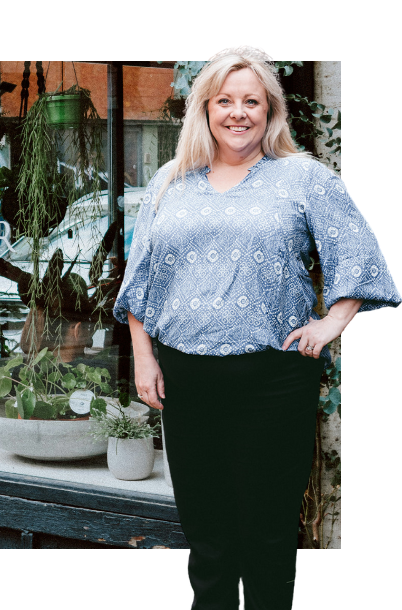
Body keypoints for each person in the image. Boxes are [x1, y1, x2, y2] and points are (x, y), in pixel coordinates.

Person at [113, 47, 399, 610]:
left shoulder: (303, 177)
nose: (237, 113)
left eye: (252, 101)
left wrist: (332, 322)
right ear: (205, 109)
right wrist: (144, 359)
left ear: (271, 111)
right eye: (225, 100)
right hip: (188, 380)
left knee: (267, 535)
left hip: (272, 381)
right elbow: (140, 278)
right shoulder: (172, 180)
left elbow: (360, 258)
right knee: (208, 537)